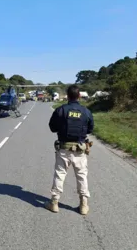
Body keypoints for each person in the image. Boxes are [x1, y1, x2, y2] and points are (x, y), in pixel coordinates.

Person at [45, 85, 94, 215]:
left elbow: (52, 128)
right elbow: (90, 129)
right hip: (80, 150)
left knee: (59, 175)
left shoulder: (60, 110)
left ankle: (54, 203)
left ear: (67, 96)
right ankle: (84, 205)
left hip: (63, 149)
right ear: (79, 96)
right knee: (82, 176)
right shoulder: (86, 111)